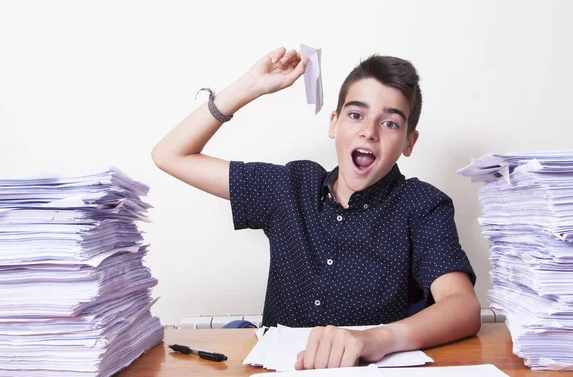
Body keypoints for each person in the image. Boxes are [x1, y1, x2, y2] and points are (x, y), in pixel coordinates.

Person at [151, 47, 481, 370]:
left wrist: (376, 340)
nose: (369, 131)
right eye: (356, 115)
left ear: (409, 141)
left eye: (391, 123)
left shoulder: (422, 204)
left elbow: (462, 306)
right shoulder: (290, 187)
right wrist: (248, 87)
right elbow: (169, 155)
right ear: (333, 124)